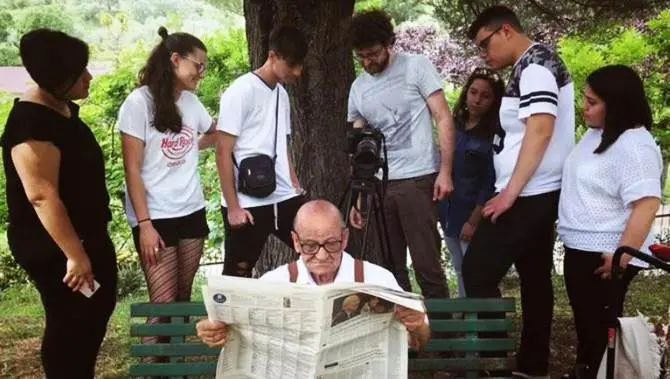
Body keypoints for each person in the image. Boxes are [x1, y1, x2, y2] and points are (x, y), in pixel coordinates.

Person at [461, 5, 575, 378]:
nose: (483, 54)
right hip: (534, 192)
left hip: (529, 194)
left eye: (484, 44)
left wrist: (510, 192)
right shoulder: (531, 65)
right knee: (535, 278)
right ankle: (532, 366)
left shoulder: (537, 66)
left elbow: (541, 129)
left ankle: (497, 366)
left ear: (505, 30)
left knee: (477, 271)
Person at [0, 29, 117, 378]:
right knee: (71, 326)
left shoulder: (60, 108)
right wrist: (75, 255)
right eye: (79, 72)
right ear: (54, 78)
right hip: (57, 247)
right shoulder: (31, 124)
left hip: (85, 236)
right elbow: (41, 195)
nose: (89, 77)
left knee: (91, 316)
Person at [196, 200, 431, 350]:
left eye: (331, 244)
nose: (320, 256)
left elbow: (420, 340)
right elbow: (238, 334)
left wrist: (418, 324)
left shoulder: (377, 278)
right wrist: (216, 330)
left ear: (345, 238)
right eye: (310, 245)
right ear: (296, 242)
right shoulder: (273, 282)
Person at [557, 65, 662, 379]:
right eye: (585, 99)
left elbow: (646, 204)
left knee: (600, 335)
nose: (583, 107)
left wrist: (622, 255)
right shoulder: (597, 134)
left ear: (615, 105)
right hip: (582, 249)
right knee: (589, 333)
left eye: (592, 102)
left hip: (606, 255)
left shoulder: (635, 145)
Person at [117, 27, 215, 347]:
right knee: (161, 305)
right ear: (175, 60)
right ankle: (152, 369)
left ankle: (173, 369)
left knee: (182, 302)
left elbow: (212, 133)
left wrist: (190, 148)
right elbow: (131, 168)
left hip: (191, 209)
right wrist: (144, 224)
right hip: (154, 216)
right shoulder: (138, 103)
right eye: (197, 66)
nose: (201, 73)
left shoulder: (190, 102)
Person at [346, 9, 454, 299]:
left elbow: (443, 117)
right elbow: (359, 145)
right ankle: (406, 339)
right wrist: (360, 194)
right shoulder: (358, 88)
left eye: (373, 54)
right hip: (379, 186)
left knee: (427, 266)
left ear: (389, 43)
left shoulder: (416, 67)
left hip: (417, 180)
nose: (367, 62)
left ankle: (441, 341)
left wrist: (445, 171)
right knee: (391, 271)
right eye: (361, 57)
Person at [215, 25, 307, 277]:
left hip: (284, 196)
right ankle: (226, 317)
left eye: (300, 65)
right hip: (247, 200)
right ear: (273, 56)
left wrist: (295, 185)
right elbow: (222, 151)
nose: (297, 72)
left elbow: (282, 146)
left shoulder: (282, 94)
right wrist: (233, 207)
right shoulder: (240, 91)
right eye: (292, 64)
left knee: (315, 249)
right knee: (238, 274)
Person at [437, 67, 503, 298]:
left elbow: (490, 181)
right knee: (458, 267)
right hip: (448, 210)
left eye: (485, 96)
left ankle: (478, 319)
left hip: (473, 213)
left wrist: (474, 220)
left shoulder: (493, 134)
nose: (477, 100)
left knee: (475, 270)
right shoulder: (453, 126)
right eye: (473, 92)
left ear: (494, 101)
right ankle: (464, 314)